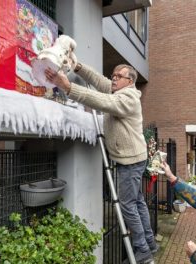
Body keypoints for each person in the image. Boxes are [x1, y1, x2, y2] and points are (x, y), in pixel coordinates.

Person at [45, 63, 157, 263]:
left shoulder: (128, 98)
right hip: (133, 158)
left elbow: (101, 100)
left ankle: (142, 249)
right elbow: (99, 81)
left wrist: (69, 87)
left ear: (129, 81)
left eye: (118, 76)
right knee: (137, 202)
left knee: (127, 205)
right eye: (113, 75)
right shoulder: (118, 90)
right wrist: (78, 67)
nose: (113, 79)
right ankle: (149, 242)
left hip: (130, 161)